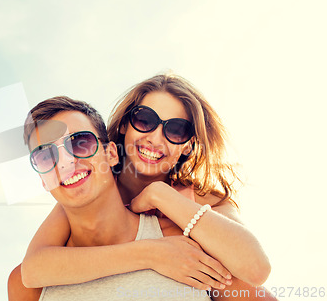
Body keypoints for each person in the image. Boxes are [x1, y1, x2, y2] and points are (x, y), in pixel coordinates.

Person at [8, 73, 275, 300]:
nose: (154, 138)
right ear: (125, 125)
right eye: (145, 120)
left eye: (177, 130)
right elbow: (32, 270)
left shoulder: (199, 205)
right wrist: (150, 253)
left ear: (188, 146)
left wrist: (162, 196)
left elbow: (255, 268)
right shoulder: (82, 183)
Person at [12, 96, 212, 300]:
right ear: (43, 180)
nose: (66, 163)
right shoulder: (28, 286)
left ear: (111, 154)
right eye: (46, 156)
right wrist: (148, 253)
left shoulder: (189, 241)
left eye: (80, 143)